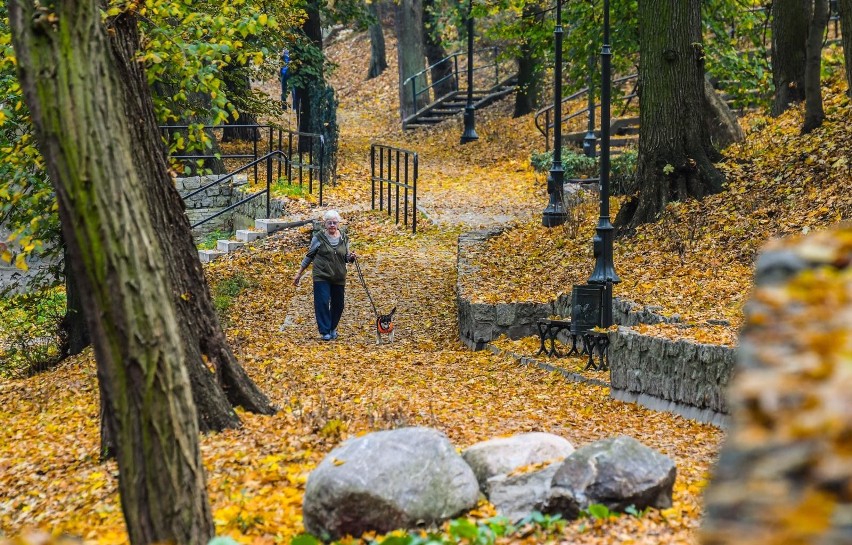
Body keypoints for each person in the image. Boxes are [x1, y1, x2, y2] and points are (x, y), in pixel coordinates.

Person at [293, 210, 357, 341]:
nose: (332, 225)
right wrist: (299, 273)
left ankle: (332, 327)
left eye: (334, 222)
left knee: (338, 304)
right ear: (325, 224)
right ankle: (325, 331)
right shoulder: (319, 238)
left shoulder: (344, 238)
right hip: (321, 275)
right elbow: (309, 256)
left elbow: (346, 257)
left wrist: (351, 257)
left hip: (339, 276)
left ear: (338, 224)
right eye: (329, 223)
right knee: (322, 302)